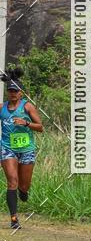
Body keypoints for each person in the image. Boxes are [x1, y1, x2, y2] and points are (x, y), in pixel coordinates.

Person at [0, 68, 44, 230]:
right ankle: (13, 219)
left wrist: (26, 123)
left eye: (15, 91)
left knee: (23, 186)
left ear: (20, 93)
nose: (12, 94)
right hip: (7, 148)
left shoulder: (27, 107)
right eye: (10, 91)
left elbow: (40, 127)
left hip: (26, 149)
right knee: (12, 181)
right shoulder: (2, 108)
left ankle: (23, 192)